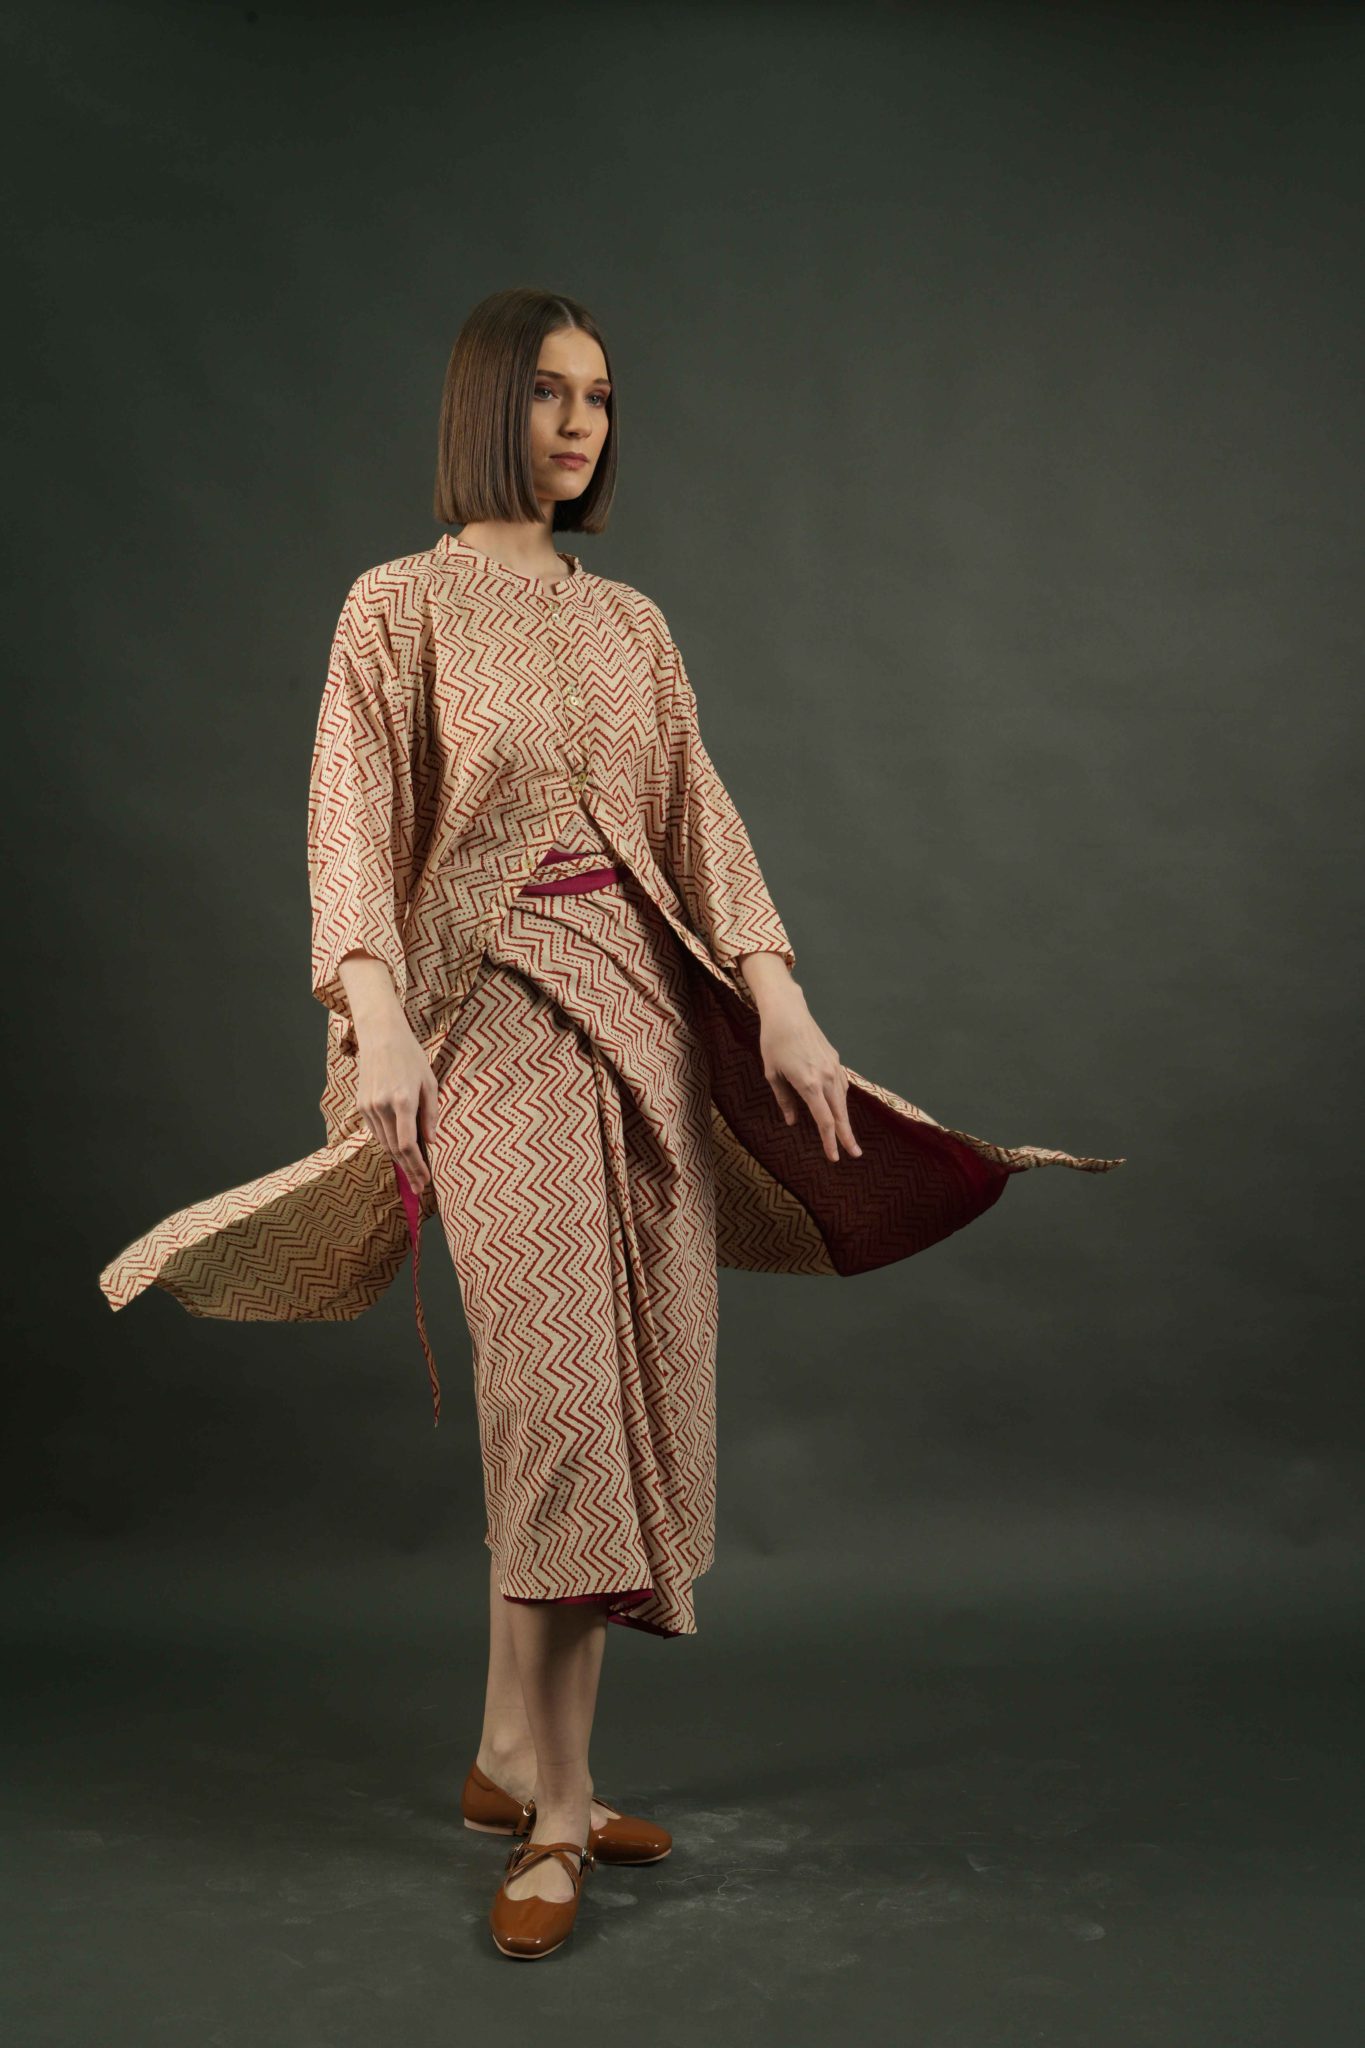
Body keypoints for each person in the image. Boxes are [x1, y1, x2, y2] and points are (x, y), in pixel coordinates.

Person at [99, 286, 1124, 1960]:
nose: (578, 424)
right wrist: (376, 1023)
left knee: (630, 1377)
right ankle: (562, 1813)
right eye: (547, 393)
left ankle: (509, 1756)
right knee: (558, 1397)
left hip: (649, 1032)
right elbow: (349, 824)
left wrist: (781, 1001)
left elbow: (699, 818)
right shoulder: (394, 607)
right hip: (489, 1030)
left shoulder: (632, 623)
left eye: (597, 398)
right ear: (481, 405)